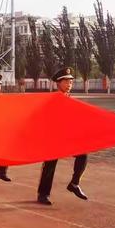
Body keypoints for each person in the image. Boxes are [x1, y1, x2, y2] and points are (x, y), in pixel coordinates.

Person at [37, 67, 88, 205]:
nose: (69, 84)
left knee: (83, 154)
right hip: (53, 137)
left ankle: (74, 183)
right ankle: (43, 194)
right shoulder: (52, 99)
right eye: (66, 81)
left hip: (67, 137)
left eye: (70, 81)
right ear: (58, 84)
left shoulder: (70, 99)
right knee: (50, 164)